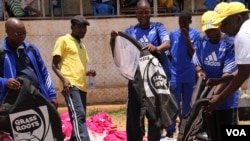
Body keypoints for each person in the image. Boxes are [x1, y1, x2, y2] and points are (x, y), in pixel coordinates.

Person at [110, 0, 172, 140]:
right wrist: (113, 39)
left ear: (151, 12)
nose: (144, 15)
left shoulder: (158, 27)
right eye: (140, 12)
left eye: (146, 12)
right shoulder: (130, 31)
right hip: (136, 79)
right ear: (136, 14)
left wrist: (156, 48)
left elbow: (167, 44)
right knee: (134, 115)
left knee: (154, 115)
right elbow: (118, 49)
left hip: (153, 80)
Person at [193, 10, 239, 141]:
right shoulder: (202, 42)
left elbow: (227, 75)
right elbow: (196, 61)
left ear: (219, 25)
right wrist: (199, 71)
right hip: (208, 100)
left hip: (226, 100)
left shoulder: (229, 44)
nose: (211, 33)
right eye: (208, 31)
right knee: (213, 135)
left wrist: (213, 97)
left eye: (214, 29)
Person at [52, 15, 96, 141]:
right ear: (72, 27)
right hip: (70, 85)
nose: (82, 30)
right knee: (79, 115)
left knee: (78, 117)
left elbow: (78, 66)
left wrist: (88, 73)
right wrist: (64, 80)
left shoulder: (81, 44)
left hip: (82, 86)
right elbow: (54, 65)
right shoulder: (63, 40)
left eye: (84, 27)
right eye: (79, 27)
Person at [204, 2, 250, 114]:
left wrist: (219, 98)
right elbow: (245, 68)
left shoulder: (242, 35)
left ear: (238, 18)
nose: (222, 29)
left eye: (225, 24)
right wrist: (221, 80)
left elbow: (243, 73)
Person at [0, 17, 57, 107]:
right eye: (19, 33)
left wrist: (51, 95)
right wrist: (5, 82)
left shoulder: (31, 49)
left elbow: (44, 73)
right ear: (8, 32)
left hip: (36, 97)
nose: (22, 36)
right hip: (14, 103)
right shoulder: (2, 52)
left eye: (24, 33)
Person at [165, 10, 201, 137]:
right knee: (173, 103)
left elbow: (194, 55)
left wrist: (187, 38)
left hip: (189, 75)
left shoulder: (196, 35)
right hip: (175, 74)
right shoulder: (173, 34)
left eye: (185, 22)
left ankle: (184, 129)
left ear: (190, 22)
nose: (182, 25)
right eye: (180, 22)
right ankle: (170, 130)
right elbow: (169, 55)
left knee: (187, 105)